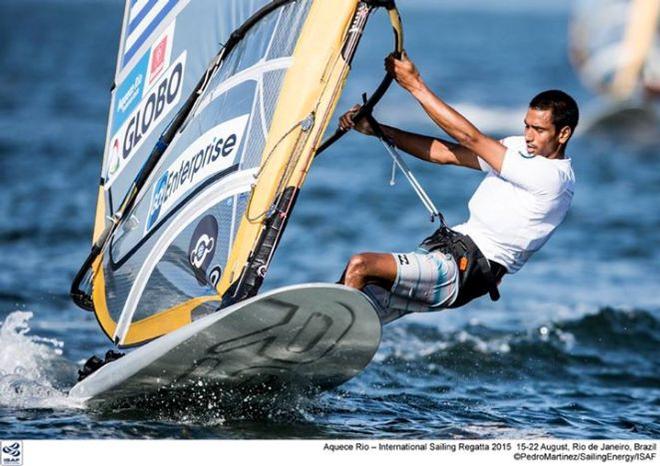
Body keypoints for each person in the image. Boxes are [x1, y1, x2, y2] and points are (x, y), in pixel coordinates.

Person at [338, 52, 578, 324]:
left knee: (361, 265)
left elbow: (470, 137)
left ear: (563, 133)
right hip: (446, 251)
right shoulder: (517, 150)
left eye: (539, 130)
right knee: (349, 290)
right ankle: (312, 348)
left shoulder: (553, 177)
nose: (528, 136)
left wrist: (414, 84)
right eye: (526, 126)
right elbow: (448, 153)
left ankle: (334, 342)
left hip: (464, 272)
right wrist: (379, 130)